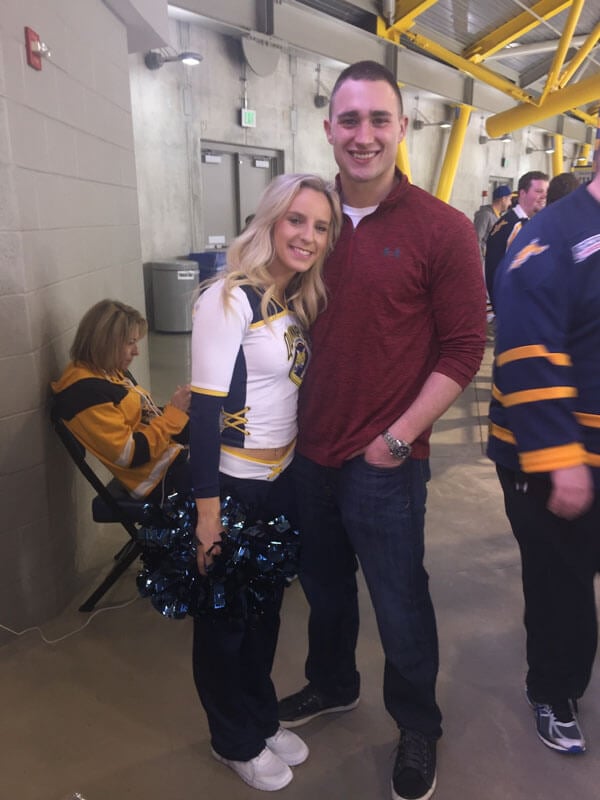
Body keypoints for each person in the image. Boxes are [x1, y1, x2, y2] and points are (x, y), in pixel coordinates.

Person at [277, 61, 486, 800]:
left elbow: (464, 348)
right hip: (307, 451)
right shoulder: (306, 224)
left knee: (399, 600)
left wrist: (398, 439)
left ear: (402, 128)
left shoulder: (443, 230)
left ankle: (417, 723)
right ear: (329, 128)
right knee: (325, 591)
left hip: (385, 458)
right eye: (348, 120)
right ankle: (332, 683)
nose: (362, 136)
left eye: (378, 120)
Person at [189, 174, 342, 791]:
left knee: (266, 613)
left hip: (280, 482)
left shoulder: (291, 300)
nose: (308, 235)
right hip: (229, 486)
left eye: (321, 226)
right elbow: (203, 414)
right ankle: (232, 737)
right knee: (225, 623)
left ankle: (257, 713)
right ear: (272, 221)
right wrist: (207, 514)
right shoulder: (228, 298)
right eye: (297, 220)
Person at [487, 146, 600, 756]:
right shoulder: (554, 236)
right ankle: (552, 692)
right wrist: (561, 459)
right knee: (562, 584)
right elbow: (527, 348)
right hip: (554, 456)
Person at [51, 299, 191, 502]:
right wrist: (173, 415)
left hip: (170, 457)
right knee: (237, 481)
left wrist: (183, 409)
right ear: (106, 342)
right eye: (131, 343)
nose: (137, 352)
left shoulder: (106, 371)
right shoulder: (85, 392)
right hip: (157, 479)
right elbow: (131, 455)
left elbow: (143, 416)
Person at [484, 170, 548, 304]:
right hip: (512, 308)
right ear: (523, 193)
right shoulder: (515, 226)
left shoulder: (516, 222)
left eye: (545, 192)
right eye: (538, 191)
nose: (544, 196)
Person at [473, 184, 513, 260]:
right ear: (504, 199)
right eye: (510, 199)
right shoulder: (485, 215)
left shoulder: (499, 218)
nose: (510, 203)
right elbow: (476, 240)